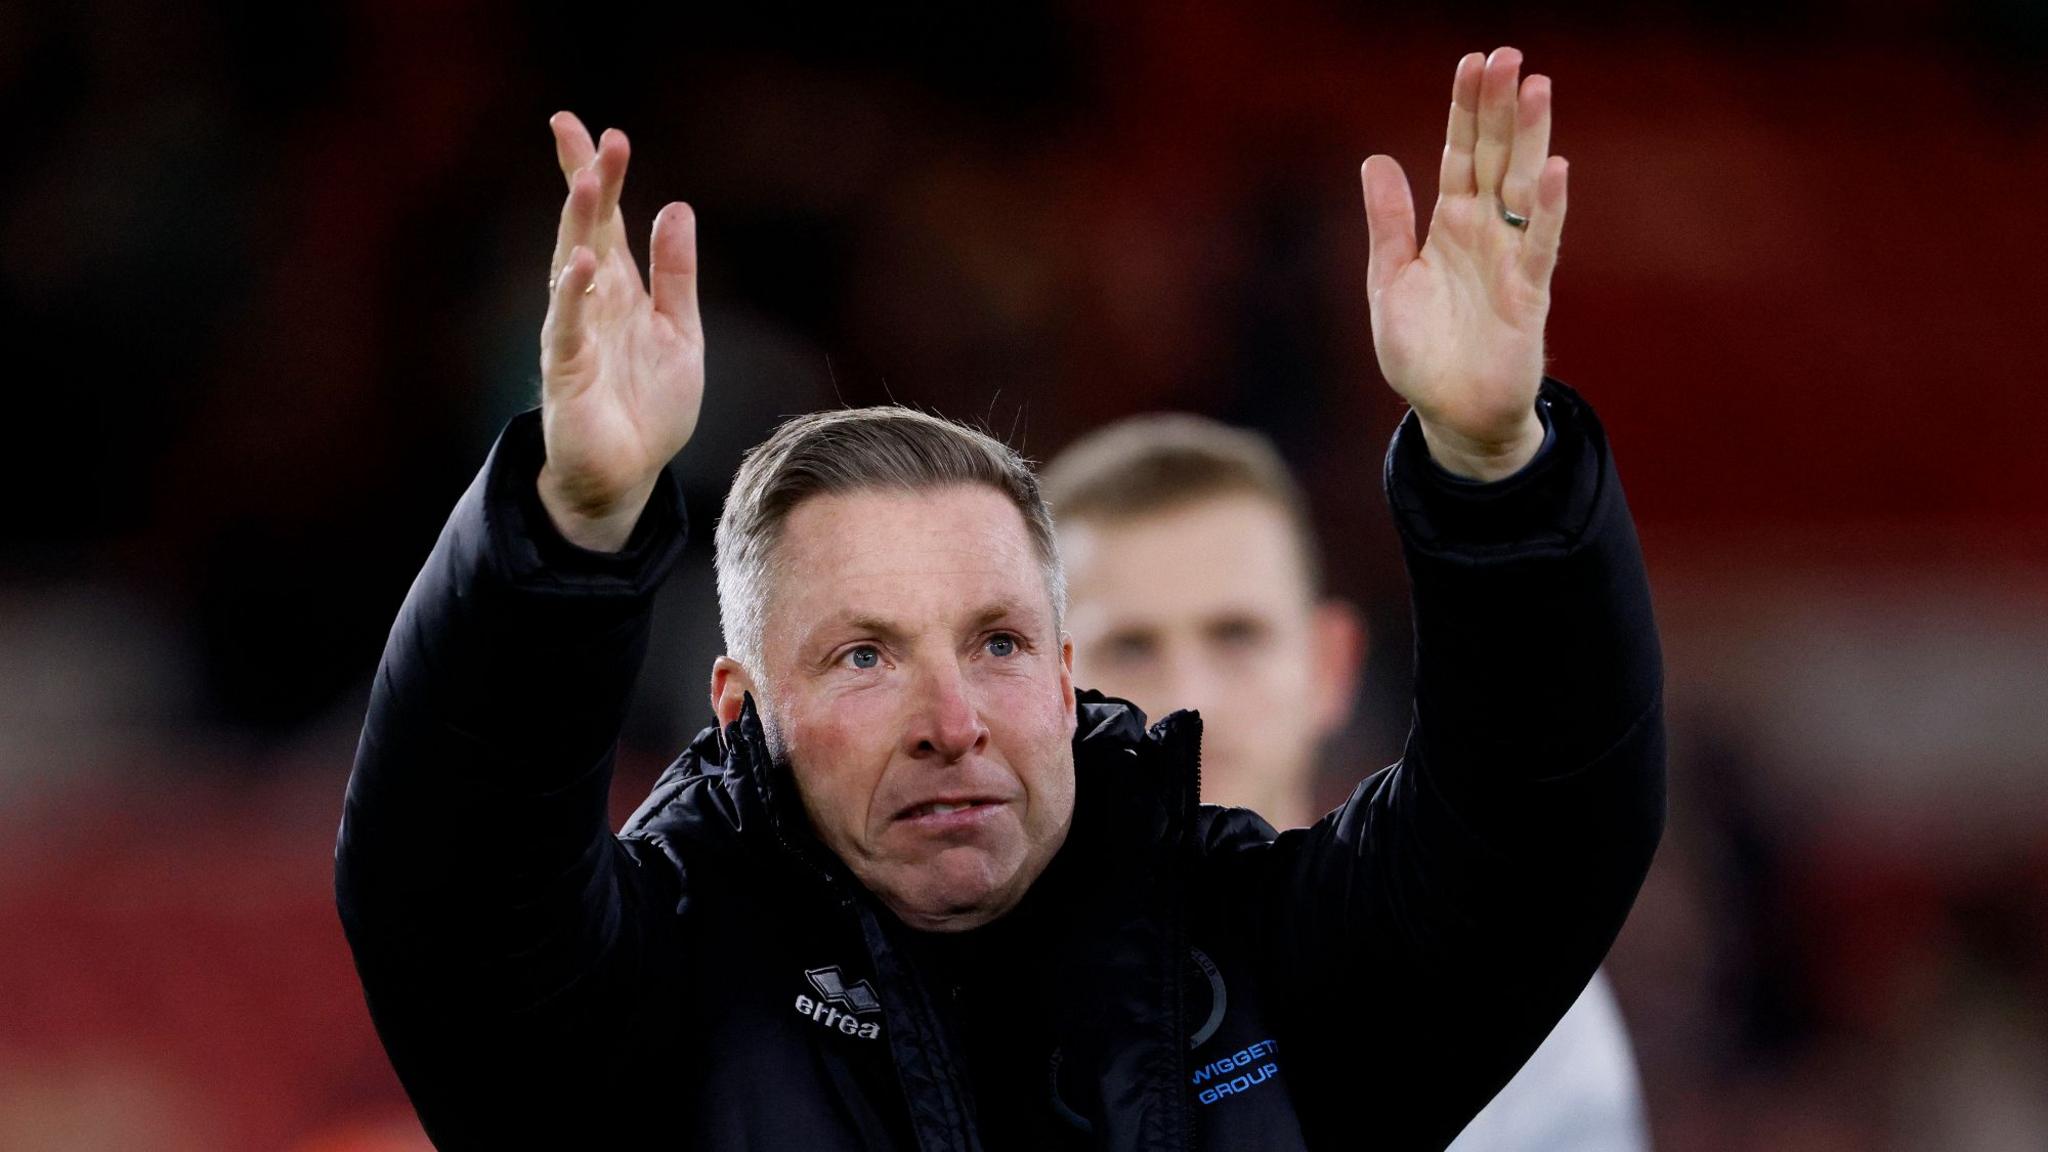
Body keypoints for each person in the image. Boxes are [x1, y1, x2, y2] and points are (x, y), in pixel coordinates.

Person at [335, 46, 1665, 1150]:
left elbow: (1540, 833)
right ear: (739, 705)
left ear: (1070, 666)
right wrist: (566, 529)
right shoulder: (636, 1007)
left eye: (998, 643)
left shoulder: (1259, 964)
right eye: (864, 656)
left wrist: (1499, 471)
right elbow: (447, 894)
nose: (951, 718)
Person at [1044, 415, 1651, 1151]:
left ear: (1331, 666)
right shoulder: (971, 992)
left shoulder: (1502, 975)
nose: (1188, 698)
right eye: (1131, 646)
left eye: (1237, 635)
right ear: (1049, 688)